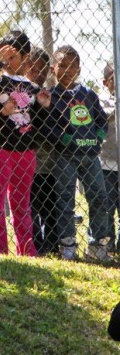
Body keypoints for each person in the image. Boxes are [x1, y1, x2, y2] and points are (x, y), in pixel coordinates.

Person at [0, 30, 50, 256]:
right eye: (3, 57)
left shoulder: (32, 86)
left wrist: (42, 107)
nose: (7, 62)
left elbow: (37, 123)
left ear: (26, 57)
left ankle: (27, 249)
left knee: (21, 204)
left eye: (13, 57)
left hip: (25, 151)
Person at [47, 45, 111, 261]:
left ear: (79, 69)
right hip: (65, 156)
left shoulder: (88, 95)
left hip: (90, 156)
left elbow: (102, 119)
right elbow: (49, 126)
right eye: (62, 66)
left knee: (99, 197)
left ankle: (96, 244)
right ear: (53, 68)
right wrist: (64, 138)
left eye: (72, 66)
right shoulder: (52, 96)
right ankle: (67, 244)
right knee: (65, 199)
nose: (67, 70)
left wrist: (99, 135)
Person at [24, 47, 59, 256]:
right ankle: (33, 246)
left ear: (49, 70)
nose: (37, 72)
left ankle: (52, 248)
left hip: (49, 165)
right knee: (30, 210)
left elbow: (53, 127)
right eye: (32, 67)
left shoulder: (49, 95)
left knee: (50, 209)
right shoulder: (23, 92)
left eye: (42, 68)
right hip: (28, 163)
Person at [100, 61, 119, 251]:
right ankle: (106, 245)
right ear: (106, 83)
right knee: (106, 207)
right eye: (115, 79)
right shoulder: (101, 100)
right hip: (106, 164)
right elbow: (101, 118)